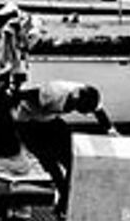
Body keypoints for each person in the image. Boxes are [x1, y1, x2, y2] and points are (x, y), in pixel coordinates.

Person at [12, 79, 116, 213]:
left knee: (73, 160)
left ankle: (66, 199)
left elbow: (99, 112)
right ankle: (63, 196)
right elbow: (19, 95)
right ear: (75, 97)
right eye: (77, 108)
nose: (76, 111)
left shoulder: (89, 96)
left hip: (51, 119)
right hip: (29, 123)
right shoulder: (53, 92)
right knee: (50, 162)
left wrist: (111, 131)